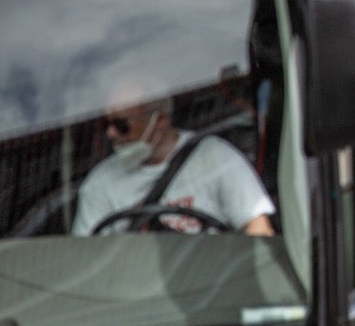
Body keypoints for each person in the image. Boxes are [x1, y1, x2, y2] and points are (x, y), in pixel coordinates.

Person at [73, 78, 276, 236]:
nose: (111, 134)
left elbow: (258, 229)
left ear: (160, 120)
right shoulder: (99, 185)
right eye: (107, 124)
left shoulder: (215, 158)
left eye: (121, 126)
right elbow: (86, 258)